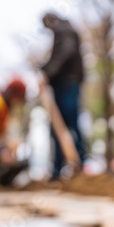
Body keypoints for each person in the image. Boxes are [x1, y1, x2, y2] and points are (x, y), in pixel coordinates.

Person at [40, 12, 88, 180]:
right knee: (57, 128)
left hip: (68, 85)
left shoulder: (65, 32)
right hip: (63, 84)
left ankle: (80, 164)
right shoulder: (63, 32)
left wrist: (47, 72)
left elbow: (64, 54)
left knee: (71, 124)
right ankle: (57, 170)